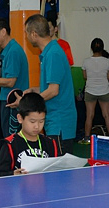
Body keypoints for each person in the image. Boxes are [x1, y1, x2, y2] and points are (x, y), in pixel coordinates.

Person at [23, 13, 75, 145]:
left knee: (60, 158)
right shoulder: (49, 53)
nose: (26, 37)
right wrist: (33, 91)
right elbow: (52, 87)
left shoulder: (53, 54)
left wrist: (30, 104)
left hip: (60, 121)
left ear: (34, 34)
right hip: (54, 119)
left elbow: (53, 91)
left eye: (26, 33)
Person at [79, 38, 109, 137]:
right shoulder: (107, 61)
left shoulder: (86, 61)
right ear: (102, 48)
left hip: (90, 91)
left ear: (91, 48)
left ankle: (87, 138)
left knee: (89, 116)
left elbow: (85, 77)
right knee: (107, 115)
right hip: (104, 91)